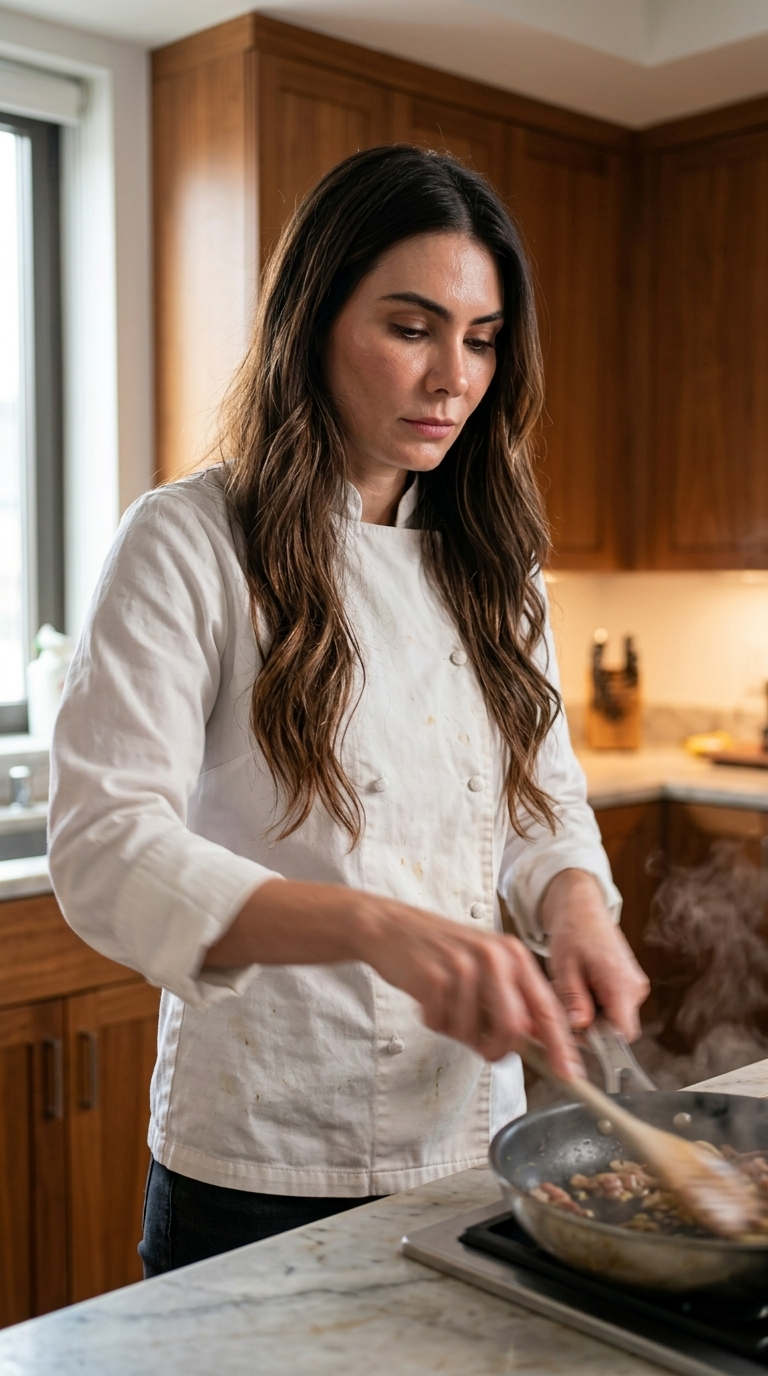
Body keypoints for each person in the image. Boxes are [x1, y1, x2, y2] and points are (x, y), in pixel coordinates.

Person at [48, 145, 648, 1277]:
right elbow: (105, 845)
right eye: (412, 328)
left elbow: (541, 803)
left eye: (482, 339)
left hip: (472, 1138)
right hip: (261, 1152)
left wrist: (577, 906)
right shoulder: (190, 540)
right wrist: (374, 926)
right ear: (313, 323)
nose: (453, 379)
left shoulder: (497, 565)